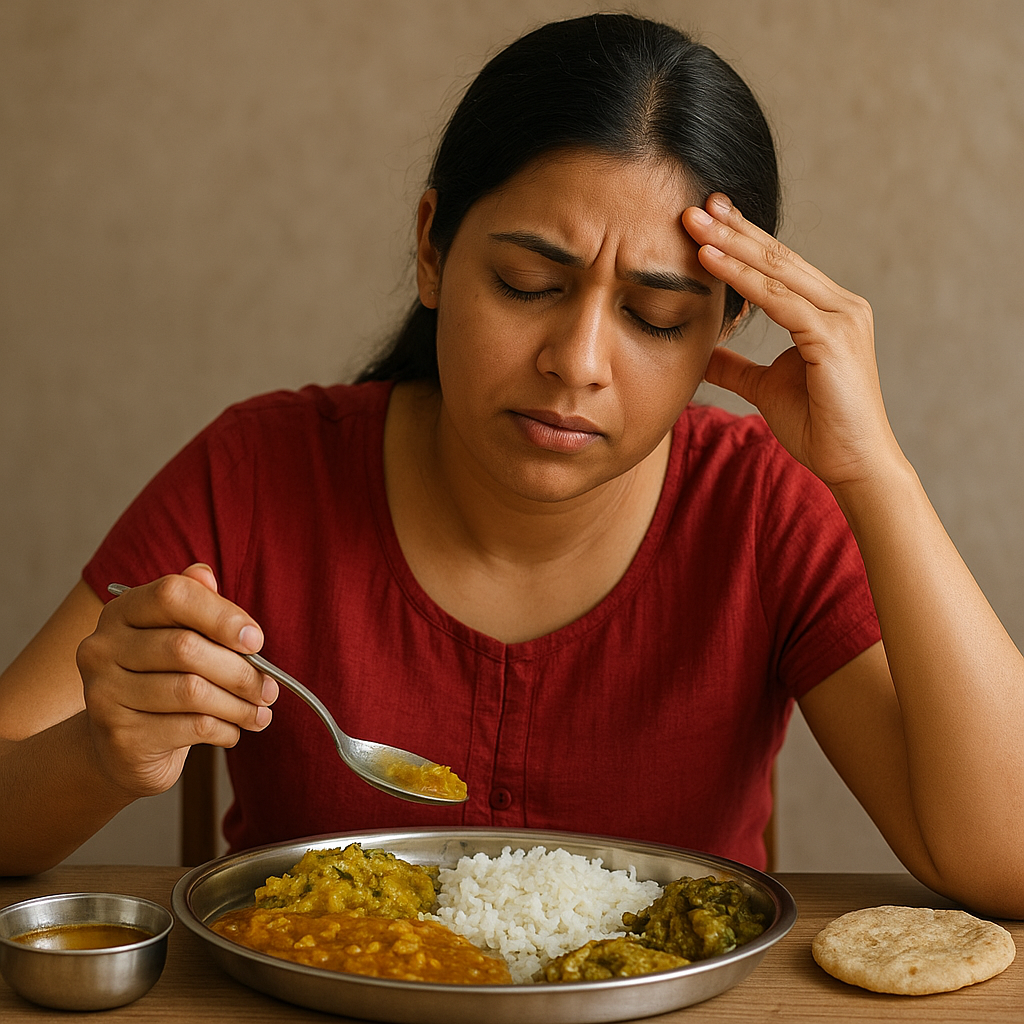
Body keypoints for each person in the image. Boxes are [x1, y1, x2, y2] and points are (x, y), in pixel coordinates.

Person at [2, 14, 1022, 916]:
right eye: (530, 283)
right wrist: (102, 748)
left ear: (726, 325)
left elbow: (1008, 860)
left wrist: (874, 470)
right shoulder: (259, 471)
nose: (576, 363)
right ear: (434, 248)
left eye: (655, 317)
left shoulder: (759, 505)